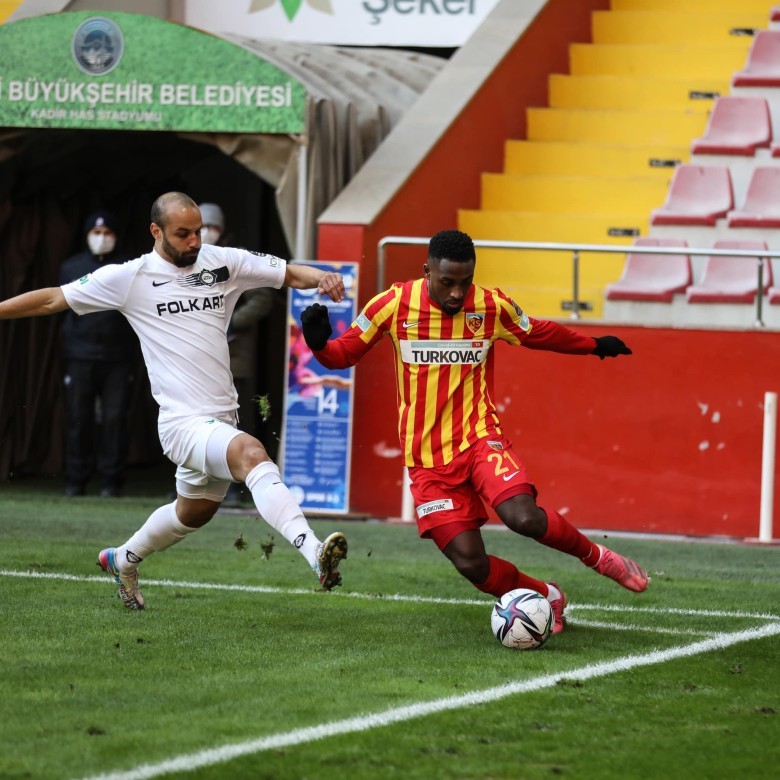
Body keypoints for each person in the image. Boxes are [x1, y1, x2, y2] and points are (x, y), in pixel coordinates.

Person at [0, 192, 348, 609]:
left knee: (193, 513)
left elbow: (289, 273)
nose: (194, 241)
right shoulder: (130, 277)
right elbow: (53, 298)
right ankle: (314, 552)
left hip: (221, 418)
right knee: (252, 454)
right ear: (156, 231)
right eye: (183, 233)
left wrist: (324, 277)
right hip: (181, 424)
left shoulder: (223, 261)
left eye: (197, 231)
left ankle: (123, 559)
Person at [300, 229, 647, 635]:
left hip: (480, 439)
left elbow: (536, 332)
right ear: (427, 270)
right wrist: (319, 342)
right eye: (447, 282)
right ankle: (547, 595)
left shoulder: (490, 305)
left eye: (465, 282)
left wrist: (593, 345)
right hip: (428, 462)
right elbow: (342, 354)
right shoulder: (392, 304)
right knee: (470, 562)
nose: (456, 293)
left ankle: (600, 558)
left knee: (523, 517)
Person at [198, 202, 275, 508]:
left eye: (213, 226)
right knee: (197, 421)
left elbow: (263, 298)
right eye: (202, 226)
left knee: (234, 421)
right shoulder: (183, 261)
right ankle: (195, 485)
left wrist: (230, 321)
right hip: (197, 359)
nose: (207, 232)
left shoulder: (236, 258)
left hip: (234, 356)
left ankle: (234, 486)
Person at [59, 210, 138, 497]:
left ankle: (111, 481)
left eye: (107, 233)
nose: (101, 238)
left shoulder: (128, 267)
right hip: (80, 356)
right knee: (78, 418)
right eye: (96, 233)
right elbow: (62, 311)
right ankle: (76, 479)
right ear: (87, 235)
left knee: (115, 419)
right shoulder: (72, 267)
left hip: (118, 357)